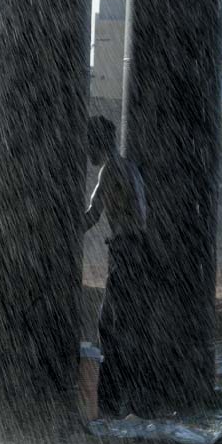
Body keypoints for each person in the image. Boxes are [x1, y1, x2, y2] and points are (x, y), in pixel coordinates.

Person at [83, 115, 148, 416]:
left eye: (88, 146)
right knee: (127, 324)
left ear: (97, 142)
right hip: (137, 251)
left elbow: (91, 216)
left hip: (125, 252)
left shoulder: (109, 170)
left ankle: (111, 402)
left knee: (108, 325)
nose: (87, 155)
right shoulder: (130, 166)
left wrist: (53, 224)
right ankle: (129, 397)